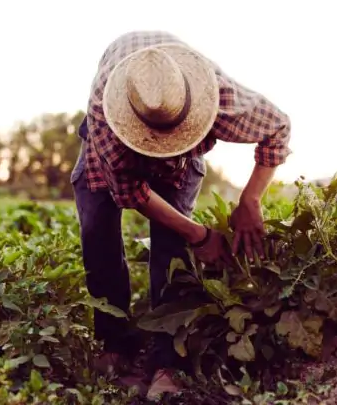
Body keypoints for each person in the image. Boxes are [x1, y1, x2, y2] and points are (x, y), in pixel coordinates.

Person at [70, 31, 292, 399]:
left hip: (183, 155)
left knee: (172, 249)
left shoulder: (219, 97)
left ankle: (168, 361)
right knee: (97, 234)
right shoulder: (107, 119)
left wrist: (251, 199)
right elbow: (131, 193)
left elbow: (278, 128)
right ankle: (114, 342)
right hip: (109, 147)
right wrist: (200, 235)